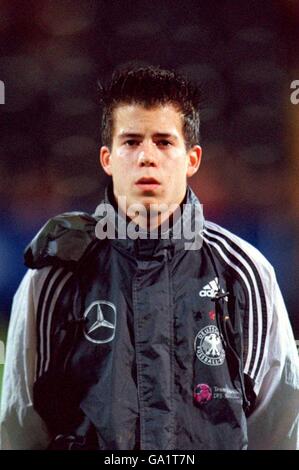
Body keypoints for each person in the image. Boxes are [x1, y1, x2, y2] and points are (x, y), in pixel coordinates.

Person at [0, 65, 298, 450]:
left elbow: (280, 430)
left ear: (192, 159)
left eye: (163, 141)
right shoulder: (54, 277)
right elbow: (18, 431)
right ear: (107, 158)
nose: (146, 157)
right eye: (130, 141)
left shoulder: (246, 273)